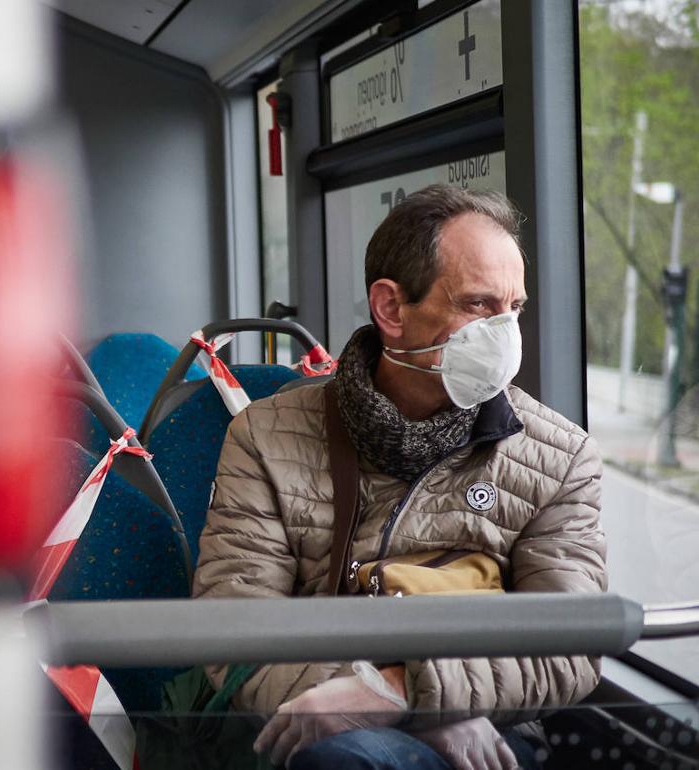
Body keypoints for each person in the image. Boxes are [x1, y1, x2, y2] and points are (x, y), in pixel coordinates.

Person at [192, 185, 606, 770]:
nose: (506, 333)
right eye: (479, 305)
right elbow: (233, 622)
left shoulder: (559, 456)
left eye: (514, 308)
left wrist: (404, 695)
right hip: (316, 715)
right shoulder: (267, 435)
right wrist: (364, 703)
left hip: (487, 733)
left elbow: (572, 645)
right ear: (391, 309)